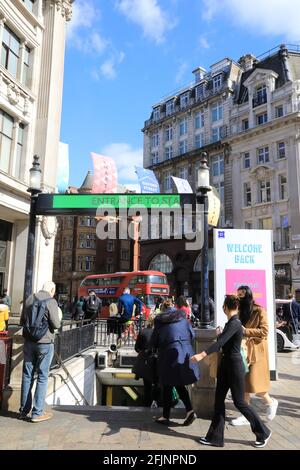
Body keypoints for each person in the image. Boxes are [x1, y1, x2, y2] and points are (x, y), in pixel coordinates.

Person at [191, 295, 271, 448]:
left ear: (225, 307)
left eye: (223, 306)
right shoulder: (231, 324)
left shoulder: (235, 323)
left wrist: (201, 355)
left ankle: (263, 432)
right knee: (218, 402)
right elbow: (225, 341)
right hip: (226, 366)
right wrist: (220, 333)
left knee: (240, 402)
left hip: (234, 367)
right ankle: (214, 437)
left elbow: (220, 344)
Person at [231, 285, 278, 426]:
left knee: (254, 384)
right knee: (243, 383)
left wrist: (246, 331)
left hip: (256, 351)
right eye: (238, 295)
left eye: (242, 295)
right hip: (243, 350)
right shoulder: (239, 311)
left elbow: (264, 331)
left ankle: (270, 402)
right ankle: (245, 414)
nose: (239, 297)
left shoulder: (259, 310)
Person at [150, 299, 199, 426]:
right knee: (177, 382)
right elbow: (192, 334)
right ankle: (189, 411)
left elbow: (154, 341)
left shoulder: (160, 321)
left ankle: (167, 416)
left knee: (167, 383)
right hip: (185, 352)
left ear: (162, 309)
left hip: (169, 353)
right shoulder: (183, 318)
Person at [19, 281, 61, 422]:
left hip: (29, 342)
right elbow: (56, 324)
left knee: (27, 375)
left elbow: (22, 320)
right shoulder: (51, 301)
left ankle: (23, 411)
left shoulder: (30, 298)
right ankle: (37, 413)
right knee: (42, 377)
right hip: (45, 343)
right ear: (52, 289)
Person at [132, 316, 160, 407]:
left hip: (145, 362)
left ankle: (147, 405)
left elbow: (136, 348)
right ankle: (156, 402)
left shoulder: (143, 331)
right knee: (157, 383)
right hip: (156, 361)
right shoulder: (159, 333)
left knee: (147, 385)